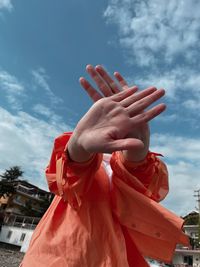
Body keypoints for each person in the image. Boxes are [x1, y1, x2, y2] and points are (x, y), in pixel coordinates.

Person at [20, 65, 188, 267]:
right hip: (55, 258)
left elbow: (142, 189)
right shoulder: (88, 164)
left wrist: (138, 154)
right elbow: (68, 180)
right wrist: (77, 147)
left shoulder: (128, 167)